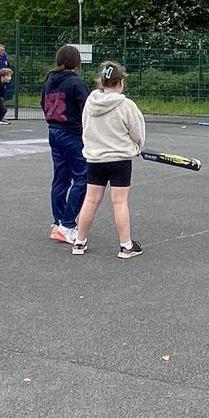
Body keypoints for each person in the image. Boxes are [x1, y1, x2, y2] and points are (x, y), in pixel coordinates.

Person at [72, 61, 146, 259]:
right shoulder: (127, 105)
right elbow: (137, 132)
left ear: (102, 81)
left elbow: (85, 126)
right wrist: (137, 147)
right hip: (119, 159)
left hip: (95, 158)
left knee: (90, 199)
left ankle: (79, 242)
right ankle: (126, 246)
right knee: (119, 201)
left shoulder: (90, 102)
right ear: (120, 82)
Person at [41, 45, 90, 244]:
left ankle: (59, 221)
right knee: (83, 177)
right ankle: (68, 224)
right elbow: (88, 110)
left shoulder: (49, 81)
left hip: (54, 131)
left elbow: (42, 104)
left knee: (61, 178)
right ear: (76, 62)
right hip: (72, 134)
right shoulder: (75, 82)